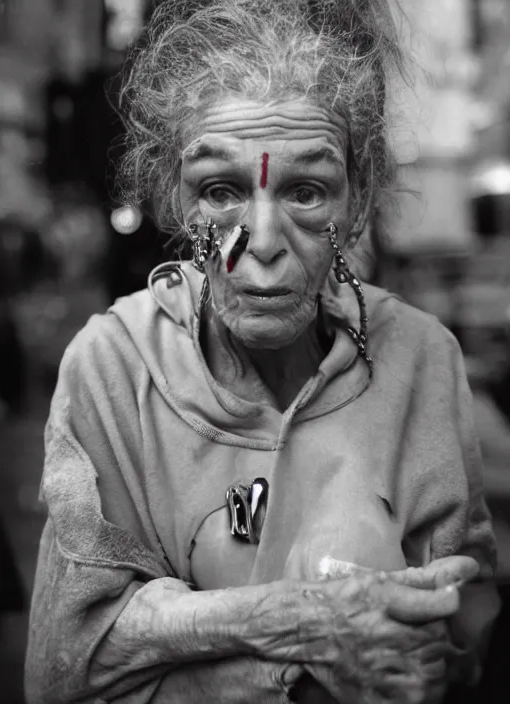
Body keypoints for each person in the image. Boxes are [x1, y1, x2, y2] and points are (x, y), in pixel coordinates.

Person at [25, 2, 500, 702]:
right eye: (220, 191)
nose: (266, 242)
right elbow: (66, 666)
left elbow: (461, 629)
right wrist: (307, 628)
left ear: (358, 202)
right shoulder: (112, 366)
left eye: (308, 192)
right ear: (172, 198)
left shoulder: (422, 358)